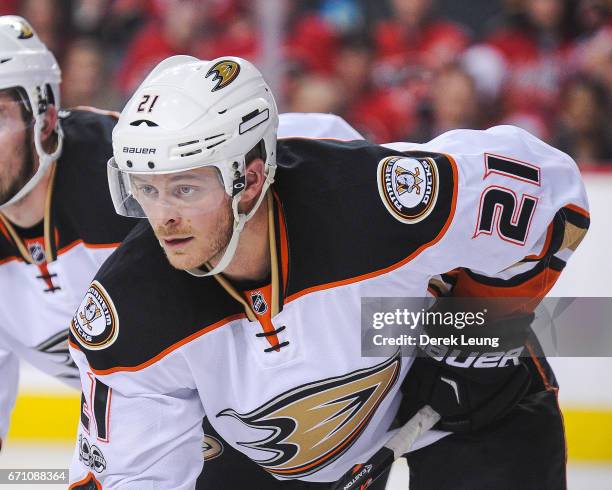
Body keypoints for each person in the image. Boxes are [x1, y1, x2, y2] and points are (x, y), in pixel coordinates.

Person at [68, 55, 589, 489]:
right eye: (147, 189)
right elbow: (124, 477)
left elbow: (549, 193)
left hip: (455, 382)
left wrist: (478, 329)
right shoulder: (127, 315)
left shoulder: (369, 203)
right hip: (272, 453)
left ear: (249, 180)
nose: (164, 218)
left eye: (185, 188)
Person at [0, 18, 363, 490]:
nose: (164, 208)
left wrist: (460, 340)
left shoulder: (147, 164)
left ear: (45, 116)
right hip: (168, 428)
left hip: (320, 399)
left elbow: (321, 154)